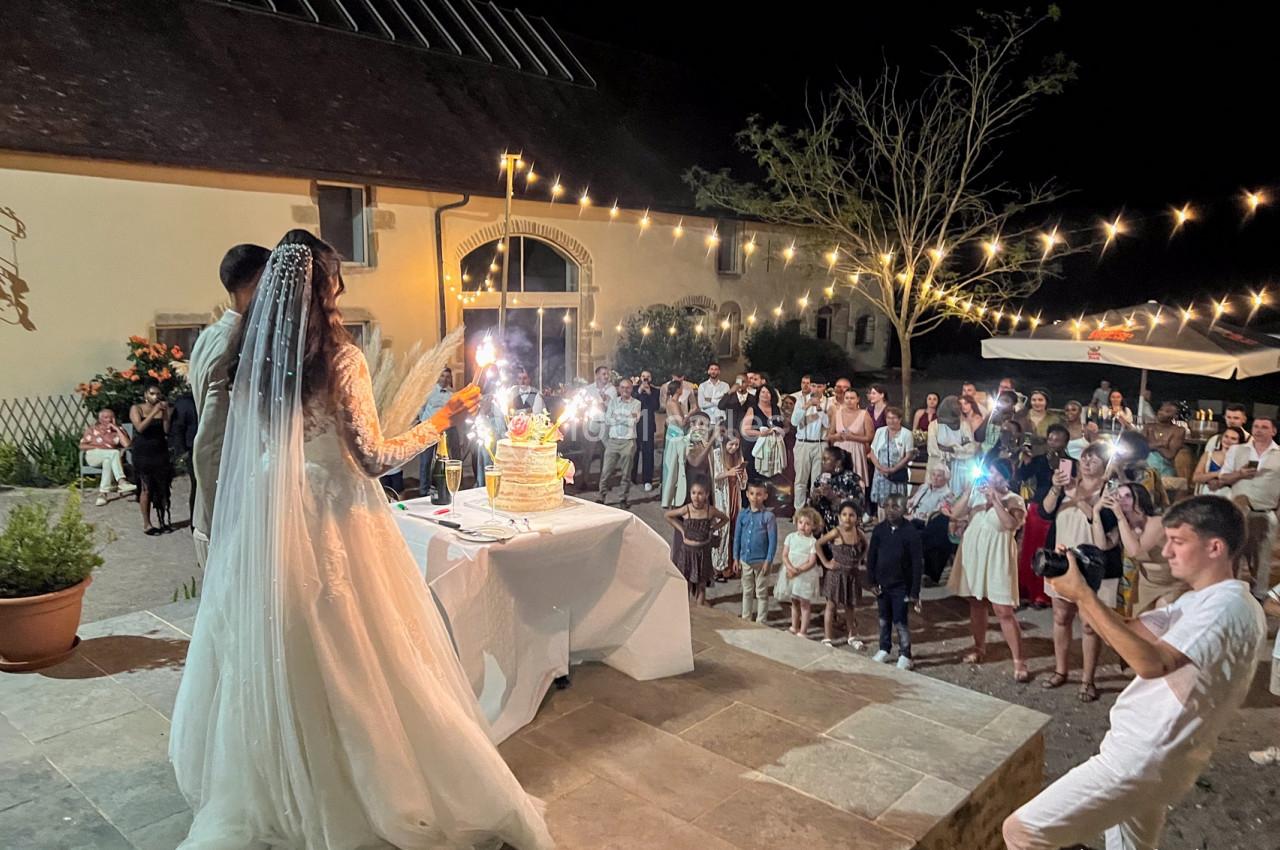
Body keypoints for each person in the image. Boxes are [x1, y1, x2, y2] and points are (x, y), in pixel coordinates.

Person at [169, 230, 552, 850]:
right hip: (332, 520)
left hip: (272, 518)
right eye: (338, 281)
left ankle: (284, 784)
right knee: (360, 657)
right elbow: (373, 458)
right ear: (326, 285)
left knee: (282, 653)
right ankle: (367, 789)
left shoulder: (250, 355)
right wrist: (441, 419)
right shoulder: (340, 357)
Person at [1003, 496, 1266, 850]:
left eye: (1178, 541)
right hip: (1160, 757)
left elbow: (1151, 663)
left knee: (1023, 831)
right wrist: (1083, 581)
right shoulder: (1197, 601)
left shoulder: (1226, 606)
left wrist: (1083, 596)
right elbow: (1131, 630)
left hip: (1142, 758)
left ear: (1215, 547)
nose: (1167, 551)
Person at [188, 242, 269, 566]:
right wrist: (219, 513)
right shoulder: (232, 346)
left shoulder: (207, 336)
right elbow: (211, 439)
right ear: (259, 280)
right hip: (229, 502)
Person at [1039, 443, 1116, 701]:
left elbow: (1106, 525)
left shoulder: (1109, 491)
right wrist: (1057, 487)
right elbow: (1045, 511)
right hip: (1061, 559)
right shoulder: (1067, 483)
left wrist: (1079, 498)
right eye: (1085, 457)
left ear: (1105, 465)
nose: (1087, 462)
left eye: (1095, 459)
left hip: (1093, 565)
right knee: (1061, 617)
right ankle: (1061, 670)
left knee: (1090, 624)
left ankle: (1088, 679)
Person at [947, 458, 1029, 682]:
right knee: (976, 603)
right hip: (975, 554)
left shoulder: (1015, 499)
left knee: (1003, 610)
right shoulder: (976, 495)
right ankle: (979, 647)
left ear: (1004, 477)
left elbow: (1011, 525)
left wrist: (995, 499)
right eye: (988, 473)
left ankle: (1019, 660)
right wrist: (968, 491)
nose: (990, 477)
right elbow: (955, 513)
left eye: (995, 474)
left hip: (998, 557)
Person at [1217, 415, 1280, 597]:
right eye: (1256, 426)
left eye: (1264, 427)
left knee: (1261, 560)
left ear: (1273, 431)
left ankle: (1258, 597)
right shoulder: (1237, 450)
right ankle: (1228, 594)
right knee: (1233, 554)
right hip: (1238, 512)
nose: (1259, 430)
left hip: (1265, 513)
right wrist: (1240, 473)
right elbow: (1223, 478)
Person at [1103, 482, 1188, 615]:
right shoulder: (1125, 526)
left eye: (1128, 496)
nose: (1122, 500)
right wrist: (1096, 511)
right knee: (1138, 622)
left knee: (1161, 615)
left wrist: (1120, 517)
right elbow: (1102, 544)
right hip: (1147, 582)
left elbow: (1135, 551)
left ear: (1140, 499)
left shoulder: (1156, 523)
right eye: (1118, 496)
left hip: (1173, 581)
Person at [1014, 424, 1074, 609]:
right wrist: (1025, 462)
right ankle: (1025, 590)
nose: (1053, 443)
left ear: (1066, 442)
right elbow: (1021, 477)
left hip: (1057, 509)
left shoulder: (1071, 463)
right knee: (1029, 550)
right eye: (1051, 439)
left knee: (1048, 550)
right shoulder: (1039, 460)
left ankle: (1043, 593)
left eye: (1058, 439)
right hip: (1037, 506)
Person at [866, 495, 924, 669]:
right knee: (884, 619)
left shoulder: (910, 533)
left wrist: (914, 592)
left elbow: (916, 564)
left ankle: (905, 654)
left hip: (901, 586)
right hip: (882, 585)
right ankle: (884, 647)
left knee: (900, 621)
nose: (890, 510)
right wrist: (871, 581)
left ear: (905, 510)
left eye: (896, 507)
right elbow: (872, 556)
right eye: (888, 506)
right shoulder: (879, 530)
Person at [666, 477, 728, 608]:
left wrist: (713, 529)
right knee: (686, 582)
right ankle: (686, 609)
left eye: (700, 493)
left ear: (706, 494)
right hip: (687, 553)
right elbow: (668, 515)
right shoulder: (686, 509)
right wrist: (682, 530)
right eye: (693, 493)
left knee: (701, 584)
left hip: (702, 553)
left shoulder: (709, 510)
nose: (696, 496)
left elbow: (725, 519)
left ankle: (700, 611)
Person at [817, 499, 868, 649]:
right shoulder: (836, 532)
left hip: (851, 575)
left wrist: (860, 559)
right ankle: (827, 637)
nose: (847, 518)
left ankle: (852, 635)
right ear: (839, 517)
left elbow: (866, 545)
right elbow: (818, 544)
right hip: (836, 575)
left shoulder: (859, 533)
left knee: (850, 607)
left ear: (857, 518)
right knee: (831, 606)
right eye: (844, 515)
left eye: (851, 515)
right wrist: (826, 563)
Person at [130, 381, 174, 535]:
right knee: (146, 488)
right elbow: (140, 428)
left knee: (162, 487)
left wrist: (166, 413)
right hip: (143, 453)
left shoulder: (162, 408)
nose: (156, 396)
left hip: (159, 451)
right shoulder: (137, 408)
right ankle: (147, 523)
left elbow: (166, 430)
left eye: (158, 393)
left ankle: (163, 521)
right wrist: (154, 412)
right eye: (152, 393)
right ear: (146, 395)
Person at [775, 507, 823, 638]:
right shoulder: (790, 537)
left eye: (808, 524)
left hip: (804, 575)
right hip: (791, 572)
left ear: (813, 526)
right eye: (801, 522)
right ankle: (794, 626)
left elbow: (812, 561)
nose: (803, 526)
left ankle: (803, 630)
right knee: (794, 602)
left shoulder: (813, 542)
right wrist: (790, 568)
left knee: (804, 604)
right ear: (796, 522)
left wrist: (798, 570)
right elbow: (784, 555)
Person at [734, 480, 778, 623]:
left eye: (759, 494)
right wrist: (735, 557)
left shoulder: (768, 517)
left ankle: (761, 620)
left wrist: (768, 560)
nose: (755, 497)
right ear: (747, 494)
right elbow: (737, 537)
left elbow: (773, 541)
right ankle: (746, 618)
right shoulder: (742, 515)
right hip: (745, 560)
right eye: (752, 494)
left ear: (765, 496)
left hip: (761, 562)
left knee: (761, 592)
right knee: (747, 591)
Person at [905, 463, 955, 584]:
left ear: (946, 478)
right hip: (912, 517)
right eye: (933, 475)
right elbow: (912, 501)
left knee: (907, 531)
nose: (935, 478)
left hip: (927, 523)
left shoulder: (947, 495)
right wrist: (908, 505)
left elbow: (936, 515)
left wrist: (913, 517)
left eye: (939, 476)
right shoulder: (925, 487)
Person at [598, 377, 641, 509]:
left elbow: (634, 421)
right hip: (613, 441)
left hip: (628, 442)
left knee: (626, 473)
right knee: (606, 471)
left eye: (627, 387)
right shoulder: (613, 402)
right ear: (619, 389)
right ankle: (601, 496)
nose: (624, 390)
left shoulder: (636, 403)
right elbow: (607, 419)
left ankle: (623, 498)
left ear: (631, 389)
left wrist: (618, 418)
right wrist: (625, 417)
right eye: (622, 387)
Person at [79, 408, 136, 506]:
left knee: (108, 461)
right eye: (106, 417)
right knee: (114, 453)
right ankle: (121, 481)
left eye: (112, 417)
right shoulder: (92, 429)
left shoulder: (119, 430)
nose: (109, 420)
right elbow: (82, 446)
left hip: (109, 457)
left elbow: (127, 445)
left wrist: (117, 429)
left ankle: (102, 494)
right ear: (100, 419)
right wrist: (99, 447)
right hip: (94, 455)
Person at [710, 435, 747, 580]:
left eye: (737, 445)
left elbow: (743, 483)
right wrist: (728, 473)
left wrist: (741, 475)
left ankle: (731, 566)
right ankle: (718, 567)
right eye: (731, 445)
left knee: (734, 530)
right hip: (722, 497)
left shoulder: (739, 456)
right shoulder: (717, 454)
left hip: (734, 496)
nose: (734, 448)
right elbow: (714, 477)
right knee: (722, 531)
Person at [415, 367, 455, 499]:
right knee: (425, 461)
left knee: (442, 461)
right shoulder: (429, 392)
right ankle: (423, 491)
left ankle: (441, 488)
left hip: (443, 432)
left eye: (447, 376)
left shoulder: (451, 395)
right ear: (438, 377)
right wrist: (423, 422)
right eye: (442, 376)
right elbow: (421, 407)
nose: (445, 379)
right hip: (428, 429)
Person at [791, 376, 829, 509]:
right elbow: (794, 421)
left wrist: (819, 408)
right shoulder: (801, 400)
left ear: (824, 387)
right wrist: (806, 406)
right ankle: (799, 510)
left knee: (817, 481)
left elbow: (828, 424)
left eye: (819, 386)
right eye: (813, 385)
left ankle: (815, 510)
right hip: (803, 443)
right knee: (800, 480)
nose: (816, 389)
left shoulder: (829, 403)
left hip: (820, 443)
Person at [807, 445, 864, 534]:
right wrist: (814, 498)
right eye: (822, 459)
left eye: (826, 459)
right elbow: (813, 506)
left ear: (838, 463)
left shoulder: (851, 479)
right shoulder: (821, 478)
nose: (822, 462)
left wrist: (834, 498)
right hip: (825, 529)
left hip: (847, 530)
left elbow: (858, 504)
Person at [869, 407, 914, 513]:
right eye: (888, 418)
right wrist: (879, 467)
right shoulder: (880, 431)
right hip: (880, 473)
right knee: (881, 505)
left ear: (900, 419)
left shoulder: (906, 434)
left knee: (896, 503)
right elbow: (872, 451)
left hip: (896, 474)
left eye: (894, 418)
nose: (891, 421)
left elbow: (908, 455)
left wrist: (893, 469)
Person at [929, 395, 977, 495]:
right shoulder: (934, 426)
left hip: (959, 468)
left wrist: (951, 449)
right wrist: (956, 448)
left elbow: (970, 448)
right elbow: (933, 449)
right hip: (939, 467)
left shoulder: (964, 425)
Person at [580, 365, 617, 491]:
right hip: (591, 422)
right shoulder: (588, 389)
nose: (606, 376)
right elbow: (583, 404)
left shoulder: (611, 390)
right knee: (588, 452)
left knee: (605, 453)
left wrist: (604, 402)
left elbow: (610, 407)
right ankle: (584, 480)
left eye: (607, 374)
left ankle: (604, 483)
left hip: (605, 423)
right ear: (597, 375)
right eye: (603, 374)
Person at [828, 386, 873, 487]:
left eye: (852, 398)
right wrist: (837, 436)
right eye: (847, 398)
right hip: (840, 450)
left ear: (858, 399)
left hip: (857, 451)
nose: (849, 401)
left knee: (856, 483)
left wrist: (853, 437)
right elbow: (829, 435)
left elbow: (869, 437)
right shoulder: (837, 414)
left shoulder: (864, 414)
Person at [742, 385, 786, 482]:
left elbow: (784, 426)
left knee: (772, 480)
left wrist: (778, 431)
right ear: (758, 394)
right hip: (756, 449)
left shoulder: (776, 409)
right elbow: (745, 430)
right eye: (763, 392)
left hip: (774, 450)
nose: (765, 395)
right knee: (755, 479)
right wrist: (760, 433)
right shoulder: (753, 409)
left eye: (768, 392)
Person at [169, 389, 199, 521]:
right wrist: (182, 451)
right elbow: (177, 427)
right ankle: (196, 521)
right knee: (197, 485)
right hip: (192, 447)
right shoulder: (185, 403)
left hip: (214, 446)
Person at [660, 380, 690, 509]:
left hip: (673, 433)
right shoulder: (673, 403)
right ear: (678, 389)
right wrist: (692, 414)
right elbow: (681, 422)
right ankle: (671, 496)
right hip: (676, 436)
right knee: (674, 466)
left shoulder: (671, 402)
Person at [1193, 423, 1244, 496]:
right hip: (1208, 493)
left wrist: (1221, 482)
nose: (1228, 440)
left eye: (1233, 439)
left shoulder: (1241, 459)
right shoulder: (1209, 455)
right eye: (1226, 436)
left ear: (1239, 443)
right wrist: (1217, 474)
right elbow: (1196, 477)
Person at [633, 369, 661, 491]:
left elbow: (656, 406)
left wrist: (649, 393)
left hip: (648, 425)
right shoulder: (634, 389)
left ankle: (647, 479)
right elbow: (631, 403)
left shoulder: (655, 391)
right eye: (643, 376)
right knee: (633, 452)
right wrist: (639, 391)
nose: (645, 379)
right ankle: (632, 477)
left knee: (648, 452)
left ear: (651, 378)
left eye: (647, 377)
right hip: (635, 425)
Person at [1143, 400, 1185, 477]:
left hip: (1164, 470)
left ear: (1175, 416)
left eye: (1167, 411)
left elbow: (1169, 455)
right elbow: (1140, 448)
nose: (1161, 413)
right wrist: (1160, 444)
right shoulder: (1148, 427)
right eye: (1161, 410)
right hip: (1144, 468)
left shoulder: (1178, 430)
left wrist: (1153, 443)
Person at [697, 361, 729, 426]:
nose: (713, 372)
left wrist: (710, 400)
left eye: (716, 369)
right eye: (711, 369)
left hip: (721, 419)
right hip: (706, 419)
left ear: (719, 372)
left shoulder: (725, 386)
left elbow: (724, 403)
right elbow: (701, 404)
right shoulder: (702, 386)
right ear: (708, 371)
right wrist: (718, 401)